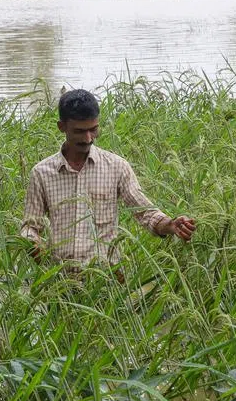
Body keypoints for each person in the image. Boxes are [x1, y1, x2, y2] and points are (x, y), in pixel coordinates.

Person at [20, 89, 196, 276]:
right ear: (61, 127)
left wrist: (170, 225)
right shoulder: (42, 173)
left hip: (107, 279)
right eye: (79, 131)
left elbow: (144, 212)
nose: (88, 138)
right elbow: (30, 226)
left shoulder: (116, 167)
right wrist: (33, 243)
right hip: (60, 280)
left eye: (93, 129)